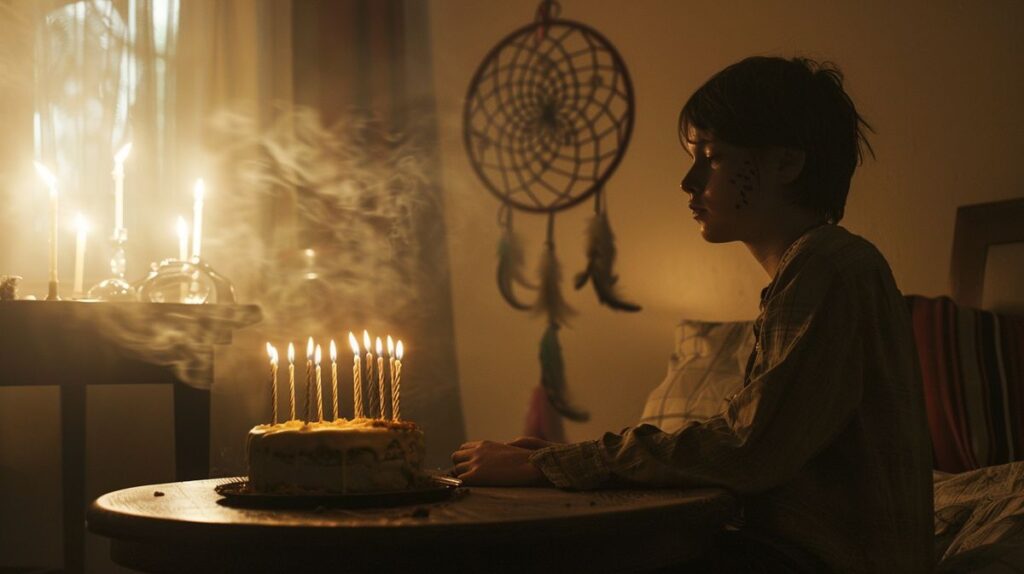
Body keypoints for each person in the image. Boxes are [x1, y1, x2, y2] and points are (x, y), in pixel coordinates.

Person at [451, 56, 934, 572]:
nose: (688, 179)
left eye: (712, 156)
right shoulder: (819, 268)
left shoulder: (826, 267)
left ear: (787, 163)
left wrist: (553, 465)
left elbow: (748, 446)